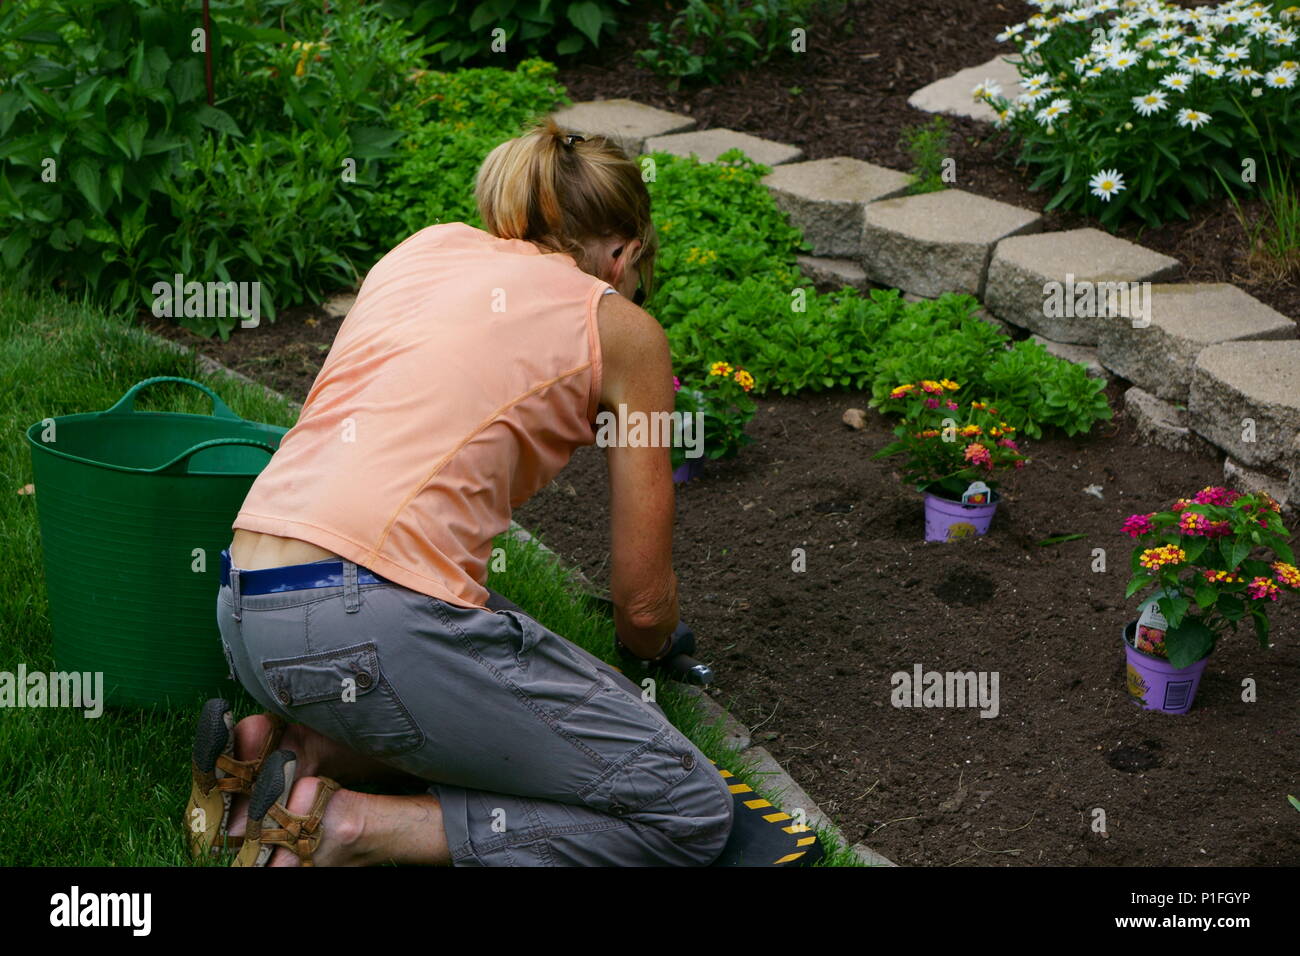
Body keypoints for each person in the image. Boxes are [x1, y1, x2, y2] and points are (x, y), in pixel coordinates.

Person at [197, 116, 735, 867]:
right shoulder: (622, 327)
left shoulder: (422, 250)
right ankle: (347, 827)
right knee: (688, 809)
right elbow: (642, 605)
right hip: (366, 623)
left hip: (245, 604)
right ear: (624, 252)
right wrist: (656, 643)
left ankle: (292, 749)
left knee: (534, 694)